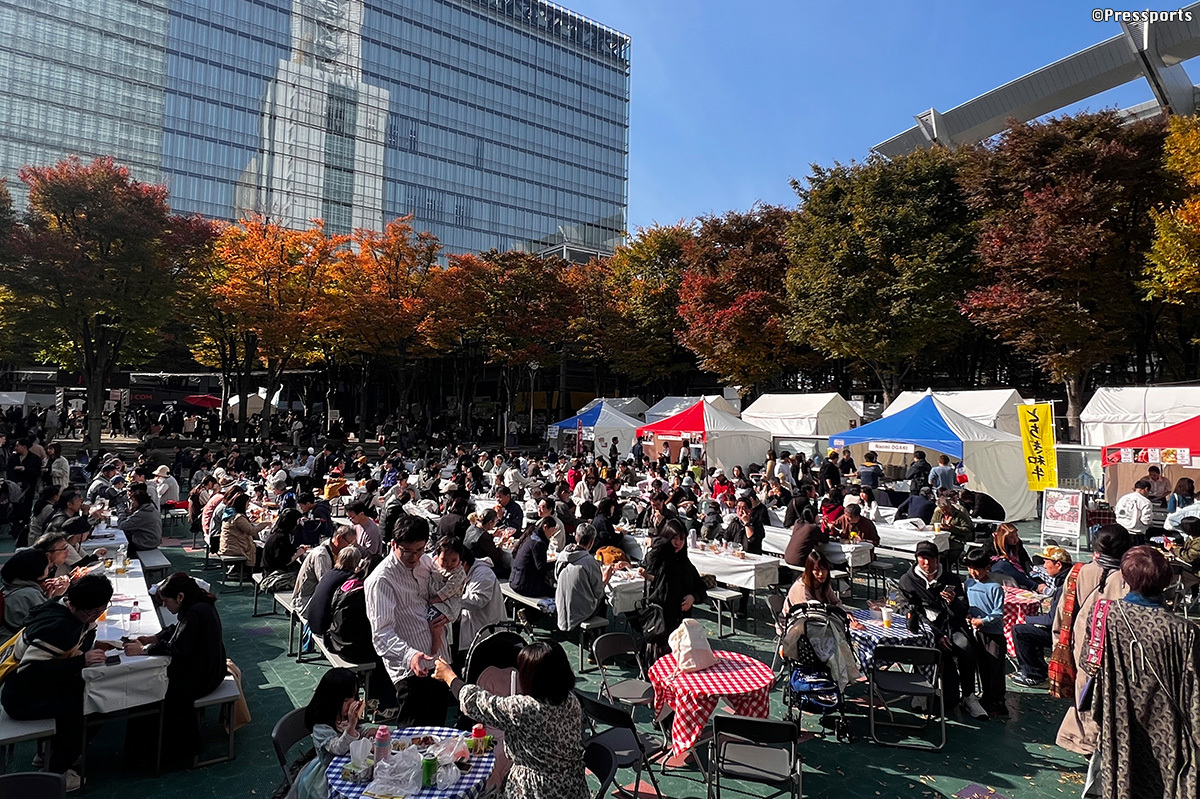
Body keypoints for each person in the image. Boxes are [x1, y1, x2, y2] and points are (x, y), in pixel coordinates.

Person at [1089, 546, 1200, 799]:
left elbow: (1089, 663)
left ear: (1125, 577)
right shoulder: (1184, 630)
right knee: (1164, 782)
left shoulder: (1104, 614)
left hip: (1119, 717)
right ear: (1167, 581)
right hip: (1168, 726)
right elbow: (1194, 688)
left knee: (1124, 776)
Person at [431, 641, 588, 799]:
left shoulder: (526, 709)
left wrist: (449, 676)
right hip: (573, 787)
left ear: (531, 677)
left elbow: (476, 702)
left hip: (536, 791)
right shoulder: (571, 700)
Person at [0, 574, 114, 790]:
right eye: (92, 612)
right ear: (73, 605)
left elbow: (89, 630)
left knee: (86, 692)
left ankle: (50, 754)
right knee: (97, 704)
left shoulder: (62, 607)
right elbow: (30, 671)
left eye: (101, 610)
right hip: (22, 699)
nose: (95, 616)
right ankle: (56, 771)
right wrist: (81, 660)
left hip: (34, 689)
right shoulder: (58, 627)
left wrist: (83, 649)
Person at [123, 573, 227, 764]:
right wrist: (155, 638)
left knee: (151, 689)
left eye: (166, 601)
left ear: (180, 597)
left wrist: (144, 649)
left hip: (205, 676)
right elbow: (179, 630)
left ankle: (166, 753)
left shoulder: (195, 611)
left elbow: (178, 648)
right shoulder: (199, 604)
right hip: (212, 667)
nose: (164, 606)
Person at [364, 514, 450, 727]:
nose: (414, 557)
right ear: (393, 544)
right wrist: (410, 655)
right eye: (407, 551)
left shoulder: (425, 563)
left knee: (438, 731)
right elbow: (381, 634)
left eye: (420, 550)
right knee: (413, 735)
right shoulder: (381, 580)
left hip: (439, 660)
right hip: (410, 670)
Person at [1054, 524, 1131, 756]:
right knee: (1113, 695)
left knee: (1084, 691)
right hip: (1115, 647)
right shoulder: (1129, 577)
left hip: (1083, 643)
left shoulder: (1079, 572)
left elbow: (1063, 612)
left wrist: (1059, 642)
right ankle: (1102, 742)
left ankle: (1085, 741)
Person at [898, 541, 986, 719]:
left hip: (951, 626)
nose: (927, 563)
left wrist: (953, 602)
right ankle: (920, 690)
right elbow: (907, 611)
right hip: (924, 629)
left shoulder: (951, 579)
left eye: (931, 559)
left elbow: (962, 612)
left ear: (938, 559)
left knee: (965, 646)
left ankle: (969, 695)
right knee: (924, 649)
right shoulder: (907, 580)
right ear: (916, 559)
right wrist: (936, 634)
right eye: (922, 559)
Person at [289, 668, 364, 799]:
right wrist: (351, 725)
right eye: (345, 700)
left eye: (353, 697)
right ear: (330, 700)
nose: (351, 704)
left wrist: (366, 732)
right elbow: (338, 748)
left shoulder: (343, 717)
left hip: (349, 766)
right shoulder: (321, 728)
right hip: (326, 775)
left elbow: (356, 731)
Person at [640, 519, 708, 662]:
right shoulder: (660, 559)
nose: (678, 543)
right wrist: (660, 541)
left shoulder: (685, 563)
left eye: (681, 539)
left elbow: (701, 587)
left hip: (680, 623)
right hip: (660, 623)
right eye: (674, 538)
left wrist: (693, 597)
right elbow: (650, 561)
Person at [1011, 545, 1072, 687]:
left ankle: (1033, 674)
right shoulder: (1067, 581)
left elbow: (1051, 620)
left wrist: (1026, 618)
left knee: (1019, 630)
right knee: (1030, 628)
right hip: (1066, 629)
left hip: (1062, 634)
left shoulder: (1063, 587)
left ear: (1058, 565)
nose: (1044, 566)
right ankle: (1039, 668)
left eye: (1046, 562)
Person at [963, 548, 1008, 717]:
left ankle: (997, 702)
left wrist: (983, 621)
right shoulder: (969, 584)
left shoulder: (995, 588)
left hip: (993, 636)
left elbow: (998, 613)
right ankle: (986, 698)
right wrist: (968, 615)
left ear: (987, 567)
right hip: (977, 633)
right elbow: (968, 605)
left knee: (995, 669)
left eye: (977, 569)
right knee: (982, 667)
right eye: (970, 568)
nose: (973, 572)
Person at [555, 524, 613, 632]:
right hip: (581, 612)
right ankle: (598, 635)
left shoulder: (562, 556)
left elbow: (556, 577)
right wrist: (606, 578)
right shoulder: (590, 562)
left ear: (576, 537)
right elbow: (599, 593)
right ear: (591, 542)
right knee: (602, 602)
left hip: (561, 606)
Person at [293, 525, 358, 619]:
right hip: (307, 600)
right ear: (339, 538)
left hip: (318, 596)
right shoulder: (322, 555)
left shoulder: (334, 551)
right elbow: (326, 584)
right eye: (349, 543)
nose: (350, 547)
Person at [0, 548, 68, 635]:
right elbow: (48, 621)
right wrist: (57, 596)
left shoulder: (11, 585)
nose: (49, 569)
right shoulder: (29, 594)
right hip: (15, 639)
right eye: (47, 567)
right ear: (37, 572)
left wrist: (49, 596)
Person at [458, 547, 505, 663]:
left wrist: (452, 600)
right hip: (475, 627)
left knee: (482, 663)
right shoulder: (470, 571)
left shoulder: (483, 573)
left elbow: (478, 600)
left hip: (486, 630)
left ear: (464, 563)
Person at [427, 536, 467, 657]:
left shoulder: (458, 573)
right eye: (444, 560)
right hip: (435, 600)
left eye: (454, 560)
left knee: (434, 620)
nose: (449, 564)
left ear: (460, 559)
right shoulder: (433, 563)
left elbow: (449, 590)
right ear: (437, 555)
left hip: (448, 603)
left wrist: (434, 600)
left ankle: (436, 640)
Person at [981, 522, 1038, 590]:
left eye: (1016, 535)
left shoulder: (1018, 543)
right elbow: (985, 560)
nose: (1016, 539)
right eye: (1011, 537)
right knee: (1003, 564)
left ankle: (1034, 582)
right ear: (1004, 538)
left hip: (1014, 569)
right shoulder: (990, 544)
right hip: (996, 570)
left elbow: (1025, 559)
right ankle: (1034, 586)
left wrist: (1030, 572)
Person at [218, 493, 268, 569]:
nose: (248, 505)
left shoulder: (230, 513)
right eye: (248, 503)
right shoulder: (238, 518)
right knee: (261, 551)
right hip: (234, 548)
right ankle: (249, 571)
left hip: (228, 545)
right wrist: (264, 524)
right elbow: (252, 531)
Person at [509, 516, 555, 599]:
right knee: (554, 592)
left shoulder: (530, 535)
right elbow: (541, 567)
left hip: (515, 580)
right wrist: (556, 563)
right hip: (525, 585)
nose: (552, 534)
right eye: (552, 531)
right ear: (545, 527)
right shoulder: (538, 543)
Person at [464, 508, 512, 579]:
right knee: (509, 571)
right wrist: (501, 543)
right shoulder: (484, 536)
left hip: (468, 560)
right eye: (496, 522)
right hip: (477, 565)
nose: (495, 525)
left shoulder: (472, 527)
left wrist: (492, 536)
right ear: (490, 522)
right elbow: (497, 556)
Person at [118, 488, 163, 555]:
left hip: (145, 543)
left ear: (138, 501)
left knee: (121, 543)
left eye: (132, 501)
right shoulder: (151, 508)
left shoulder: (142, 513)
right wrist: (131, 513)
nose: (131, 503)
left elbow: (122, 526)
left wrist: (121, 512)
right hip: (153, 540)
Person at [1113, 479, 1154, 545]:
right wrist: (1150, 523)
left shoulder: (1123, 498)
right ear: (1146, 489)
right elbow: (1145, 521)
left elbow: (1117, 512)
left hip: (1120, 530)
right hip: (1135, 533)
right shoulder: (1146, 502)